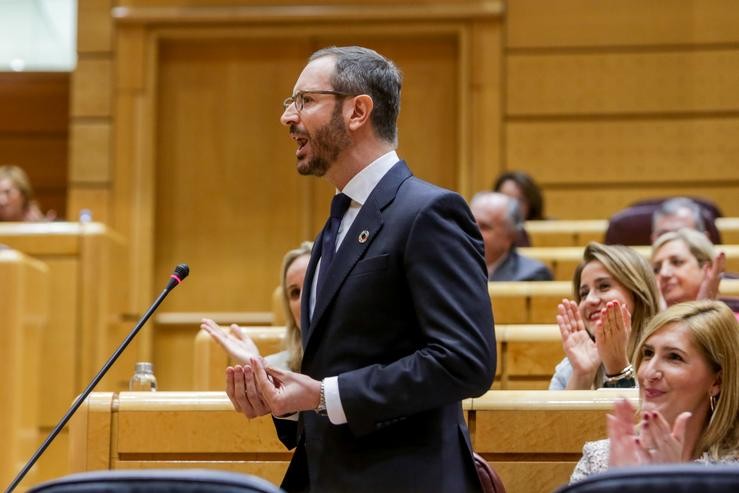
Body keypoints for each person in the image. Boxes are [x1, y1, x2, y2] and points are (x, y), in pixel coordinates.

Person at [223, 46, 495, 493]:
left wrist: (324, 395)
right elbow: (336, 367)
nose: (288, 118)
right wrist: (286, 400)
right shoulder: (337, 223)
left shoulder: (428, 212)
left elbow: (465, 361)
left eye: (305, 101)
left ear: (357, 111)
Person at [570, 300, 739, 482]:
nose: (649, 373)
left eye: (674, 357)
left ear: (717, 381)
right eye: (648, 354)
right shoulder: (601, 459)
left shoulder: (731, 471)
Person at [549, 243, 660, 390]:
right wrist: (582, 375)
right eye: (584, 293)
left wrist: (618, 369)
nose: (590, 300)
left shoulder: (663, 359)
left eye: (604, 286)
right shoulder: (570, 367)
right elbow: (555, 415)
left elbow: (633, 414)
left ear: (638, 293)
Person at [201, 241, 312, 372]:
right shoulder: (272, 368)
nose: (302, 301)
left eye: (312, 287)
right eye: (295, 293)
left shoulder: (342, 373)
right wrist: (258, 369)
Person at [470, 191, 553, 281]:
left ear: (511, 235)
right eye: (471, 224)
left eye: (485, 227)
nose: (473, 232)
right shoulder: (455, 267)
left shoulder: (532, 275)